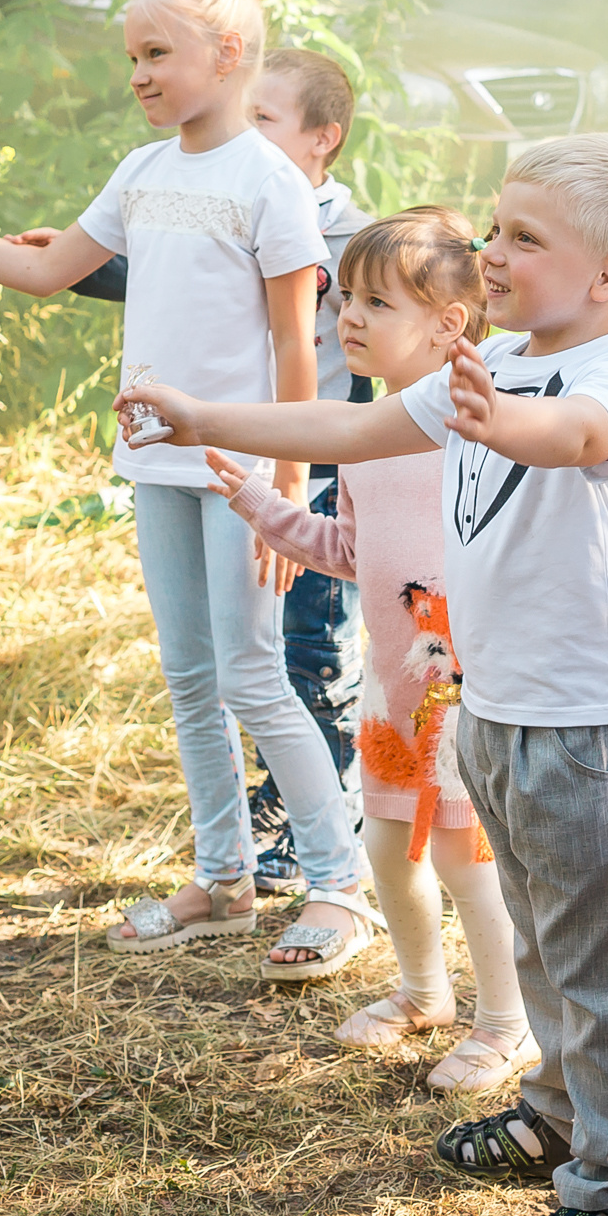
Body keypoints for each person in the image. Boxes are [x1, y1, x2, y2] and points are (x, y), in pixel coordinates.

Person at [111, 133, 608, 1216]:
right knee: (537, 935)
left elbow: (572, 437)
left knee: (604, 963)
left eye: (525, 238)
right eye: (495, 227)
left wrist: (496, 417)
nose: (494, 250)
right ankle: (555, 1112)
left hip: (583, 726)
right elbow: (349, 423)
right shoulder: (496, 364)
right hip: (492, 714)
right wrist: (203, 418)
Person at [0, 0, 374, 979]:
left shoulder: (271, 182)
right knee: (190, 676)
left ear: (228, 54)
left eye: (157, 54)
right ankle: (223, 879)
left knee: (255, 679)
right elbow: (48, 270)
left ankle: (338, 887)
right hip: (154, 460)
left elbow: (293, 348)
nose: (138, 76)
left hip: (243, 471)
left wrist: (288, 494)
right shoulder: (142, 169)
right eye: (133, 57)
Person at [207, 204, 535, 1093]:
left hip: (463, 690)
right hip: (393, 694)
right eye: (346, 297)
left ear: (448, 325)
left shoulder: (478, 427)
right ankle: (424, 992)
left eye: (376, 303)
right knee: (390, 848)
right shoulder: (362, 435)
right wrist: (261, 506)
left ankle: (508, 1022)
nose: (348, 316)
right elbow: (350, 551)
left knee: (467, 858)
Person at [241, 47, 374, 888]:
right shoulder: (235, 208)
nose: (244, 132)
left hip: (321, 472)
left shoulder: (356, 241)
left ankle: (335, 817)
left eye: (263, 118)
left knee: (315, 653)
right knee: (256, 653)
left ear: (323, 138)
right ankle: (284, 790)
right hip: (246, 463)